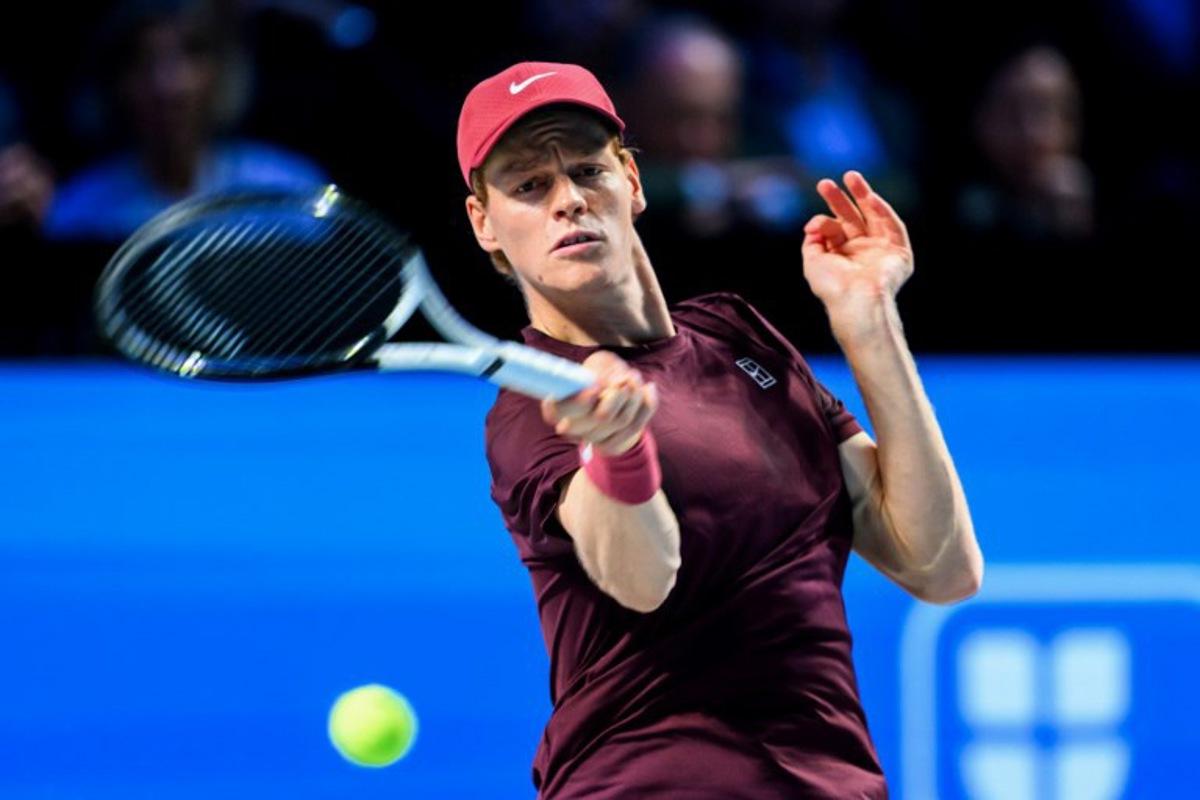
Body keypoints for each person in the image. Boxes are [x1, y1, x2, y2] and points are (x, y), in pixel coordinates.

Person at [460, 61, 983, 799]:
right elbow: (641, 581)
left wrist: (868, 324)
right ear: (484, 224)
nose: (569, 200)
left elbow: (940, 566)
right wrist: (617, 450)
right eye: (528, 186)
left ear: (632, 182)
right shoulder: (532, 409)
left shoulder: (739, 335)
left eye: (586, 170)